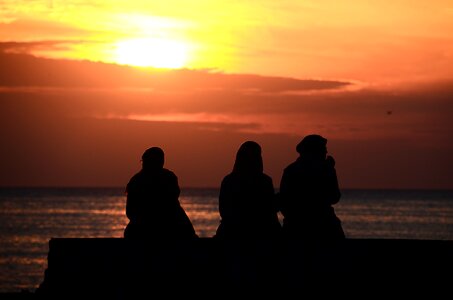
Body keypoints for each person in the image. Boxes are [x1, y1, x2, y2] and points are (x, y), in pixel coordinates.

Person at [279, 134, 345, 241]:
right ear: (315, 151)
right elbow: (334, 196)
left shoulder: (290, 170)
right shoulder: (326, 169)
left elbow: (284, 202)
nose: (326, 152)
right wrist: (329, 171)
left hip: (294, 227)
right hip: (323, 226)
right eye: (323, 149)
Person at [123, 146, 198, 240]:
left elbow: (130, 212)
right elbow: (172, 202)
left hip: (141, 231)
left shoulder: (136, 180)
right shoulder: (168, 177)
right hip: (160, 229)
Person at [215, 141, 282, 240]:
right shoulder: (265, 181)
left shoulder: (229, 180)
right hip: (259, 233)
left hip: (231, 233)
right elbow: (269, 211)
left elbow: (224, 210)